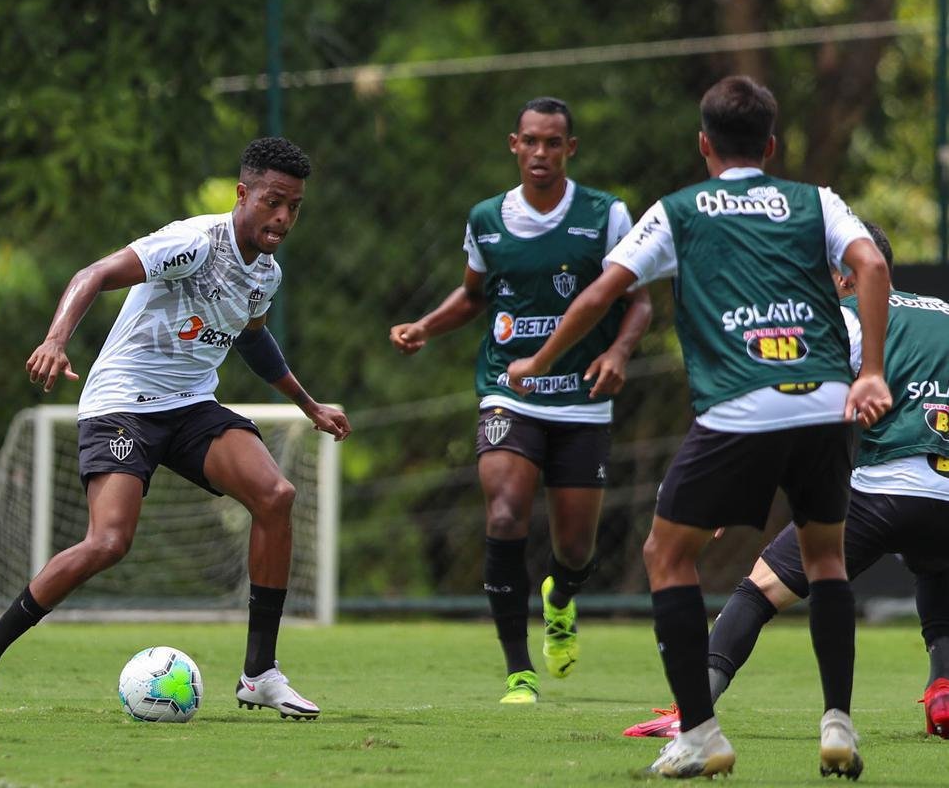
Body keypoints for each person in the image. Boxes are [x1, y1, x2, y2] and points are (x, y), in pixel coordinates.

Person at [506, 75, 891, 779]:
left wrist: (538, 358)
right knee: (825, 559)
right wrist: (870, 372)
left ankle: (701, 733)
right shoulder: (815, 201)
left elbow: (602, 292)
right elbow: (869, 263)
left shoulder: (678, 210)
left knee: (665, 553)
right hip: (822, 399)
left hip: (742, 406)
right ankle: (837, 721)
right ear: (770, 146)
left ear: (703, 145)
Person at [0, 137, 351, 723]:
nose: (283, 217)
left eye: (294, 206)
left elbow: (252, 337)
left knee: (276, 496)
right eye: (272, 202)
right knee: (109, 542)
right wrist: (56, 340)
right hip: (122, 404)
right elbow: (94, 273)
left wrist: (308, 404)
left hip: (189, 406)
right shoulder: (192, 243)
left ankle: (259, 673)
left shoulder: (265, 273)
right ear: (244, 194)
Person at [623, 222, 949, 742]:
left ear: (848, 276)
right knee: (935, 565)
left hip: (888, 482)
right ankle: (943, 694)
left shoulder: (847, 318)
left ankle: (693, 710)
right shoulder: (943, 314)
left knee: (761, 588)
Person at [389, 96, 652, 704]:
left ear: (570, 148)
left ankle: (561, 597)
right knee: (505, 513)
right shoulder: (485, 218)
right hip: (509, 391)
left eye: (552, 143)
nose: (540, 153)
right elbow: (473, 296)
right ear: (514, 144)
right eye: (530, 141)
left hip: (581, 399)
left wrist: (618, 353)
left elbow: (636, 299)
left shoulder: (605, 214)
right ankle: (518, 671)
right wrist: (426, 327)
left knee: (576, 550)